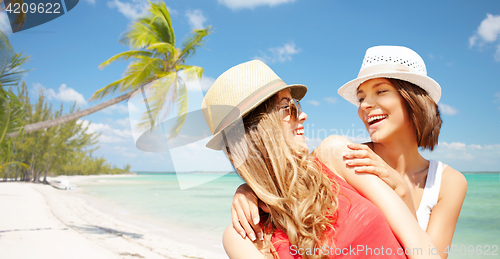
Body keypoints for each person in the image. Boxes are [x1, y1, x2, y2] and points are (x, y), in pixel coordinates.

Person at [231, 46, 467, 259]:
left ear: (413, 99)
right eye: (361, 97)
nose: (365, 105)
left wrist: (402, 192)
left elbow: (427, 252)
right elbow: (291, 175)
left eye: (381, 91)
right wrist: (248, 191)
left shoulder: (448, 181)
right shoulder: (346, 155)